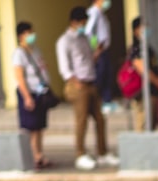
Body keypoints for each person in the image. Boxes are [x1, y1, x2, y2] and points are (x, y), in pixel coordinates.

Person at [57, 6, 117, 171]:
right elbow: (64, 66)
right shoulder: (64, 41)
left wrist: (97, 52)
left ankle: (102, 152)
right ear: (73, 22)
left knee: (100, 119)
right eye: (82, 22)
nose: (84, 25)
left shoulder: (84, 38)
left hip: (91, 83)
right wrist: (74, 81)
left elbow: (89, 59)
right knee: (81, 120)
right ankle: (80, 154)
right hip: (78, 85)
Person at [11, 21, 53, 168]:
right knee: (31, 127)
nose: (31, 35)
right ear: (20, 36)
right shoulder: (19, 54)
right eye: (28, 33)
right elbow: (19, 76)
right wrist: (27, 96)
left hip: (40, 91)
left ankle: (39, 154)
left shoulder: (35, 50)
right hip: (29, 92)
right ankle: (31, 157)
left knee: (39, 126)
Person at [128, 17, 158, 132]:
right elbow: (143, 69)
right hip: (142, 93)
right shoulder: (136, 49)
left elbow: (156, 66)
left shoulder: (148, 48)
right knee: (143, 125)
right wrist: (157, 81)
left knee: (152, 125)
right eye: (143, 27)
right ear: (136, 30)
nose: (147, 29)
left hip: (153, 91)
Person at [85, 0, 116, 113]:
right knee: (100, 76)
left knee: (107, 75)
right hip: (99, 50)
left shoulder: (101, 13)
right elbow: (89, 32)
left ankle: (106, 101)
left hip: (104, 49)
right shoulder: (94, 13)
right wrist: (95, 48)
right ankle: (96, 102)